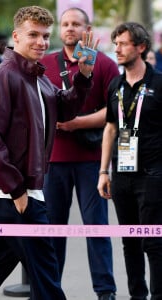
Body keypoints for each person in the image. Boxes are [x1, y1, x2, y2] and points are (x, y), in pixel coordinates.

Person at [0, 5, 96, 300]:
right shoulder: (6, 76)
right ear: (15, 36)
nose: (41, 42)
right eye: (33, 35)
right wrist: (16, 190)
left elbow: (63, 108)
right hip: (14, 195)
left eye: (45, 36)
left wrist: (84, 75)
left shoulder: (36, 76)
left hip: (17, 193)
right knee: (45, 272)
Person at [41, 7, 118, 300]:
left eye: (76, 24)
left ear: (88, 28)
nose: (70, 28)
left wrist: (76, 123)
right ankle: (50, 289)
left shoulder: (106, 65)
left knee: (97, 229)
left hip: (91, 161)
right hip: (52, 161)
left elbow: (114, 112)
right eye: (66, 24)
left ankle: (105, 290)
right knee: (51, 231)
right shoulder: (45, 63)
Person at [97, 22, 162, 300]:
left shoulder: (159, 84)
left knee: (154, 242)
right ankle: (137, 295)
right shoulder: (116, 85)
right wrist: (103, 172)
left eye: (123, 44)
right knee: (130, 242)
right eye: (116, 44)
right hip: (121, 173)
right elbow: (111, 128)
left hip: (153, 173)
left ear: (141, 47)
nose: (118, 49)